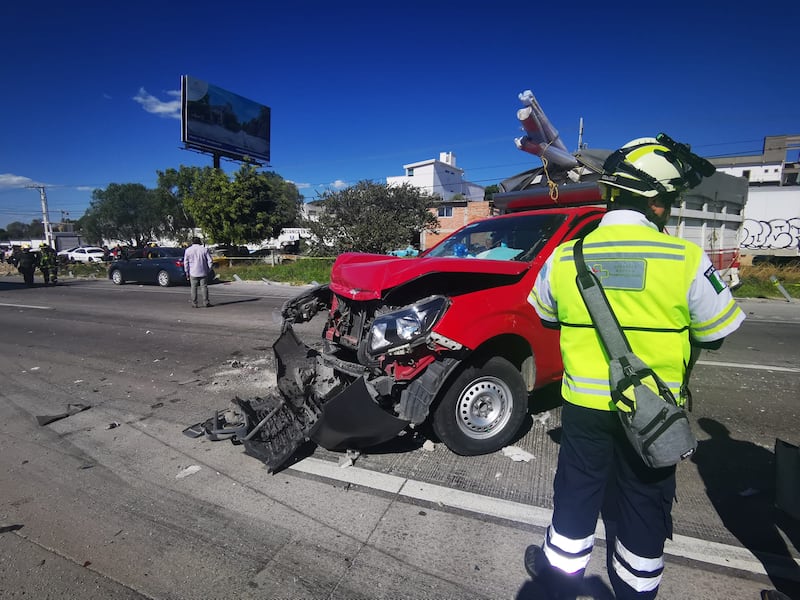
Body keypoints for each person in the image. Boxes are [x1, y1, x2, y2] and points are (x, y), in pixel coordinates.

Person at [525, 135, 746, 599]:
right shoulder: (685, 258)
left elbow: (546, 314)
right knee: (646, 497)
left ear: (611, 195)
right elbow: (717, 334)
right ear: (657, 202)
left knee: (577, 490)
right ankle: (637, 589)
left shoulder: (566, 256)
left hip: (585, 405)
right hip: (655, 410)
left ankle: (559, 578)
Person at [183, 237, 214, 308]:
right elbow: (210, 261)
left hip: (193, 272)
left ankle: (194, 303)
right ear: (199, 242)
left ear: (192, 242)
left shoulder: (188, 250)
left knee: (193, 288)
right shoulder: (204, 250)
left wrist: (187, 272)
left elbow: (186, 263)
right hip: (203, 271)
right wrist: (208, 269)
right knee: (204, 287)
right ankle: (206, 302)